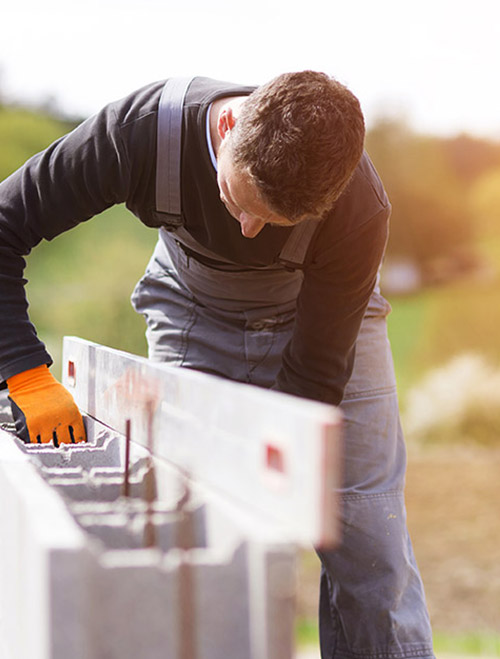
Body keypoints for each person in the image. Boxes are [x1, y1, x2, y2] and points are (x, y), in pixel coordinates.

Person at [0, 71, 435, 657]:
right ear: (229, 126)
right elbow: (4, 227)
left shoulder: (358, 207)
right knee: (191, 516)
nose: (248, 230)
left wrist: (284, 471)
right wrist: (25, 374)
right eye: (240, 201)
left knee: (369, 541)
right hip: (193, 311)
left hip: (324, 326)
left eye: (271, 223)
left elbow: (315, 374)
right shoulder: (142, 135)